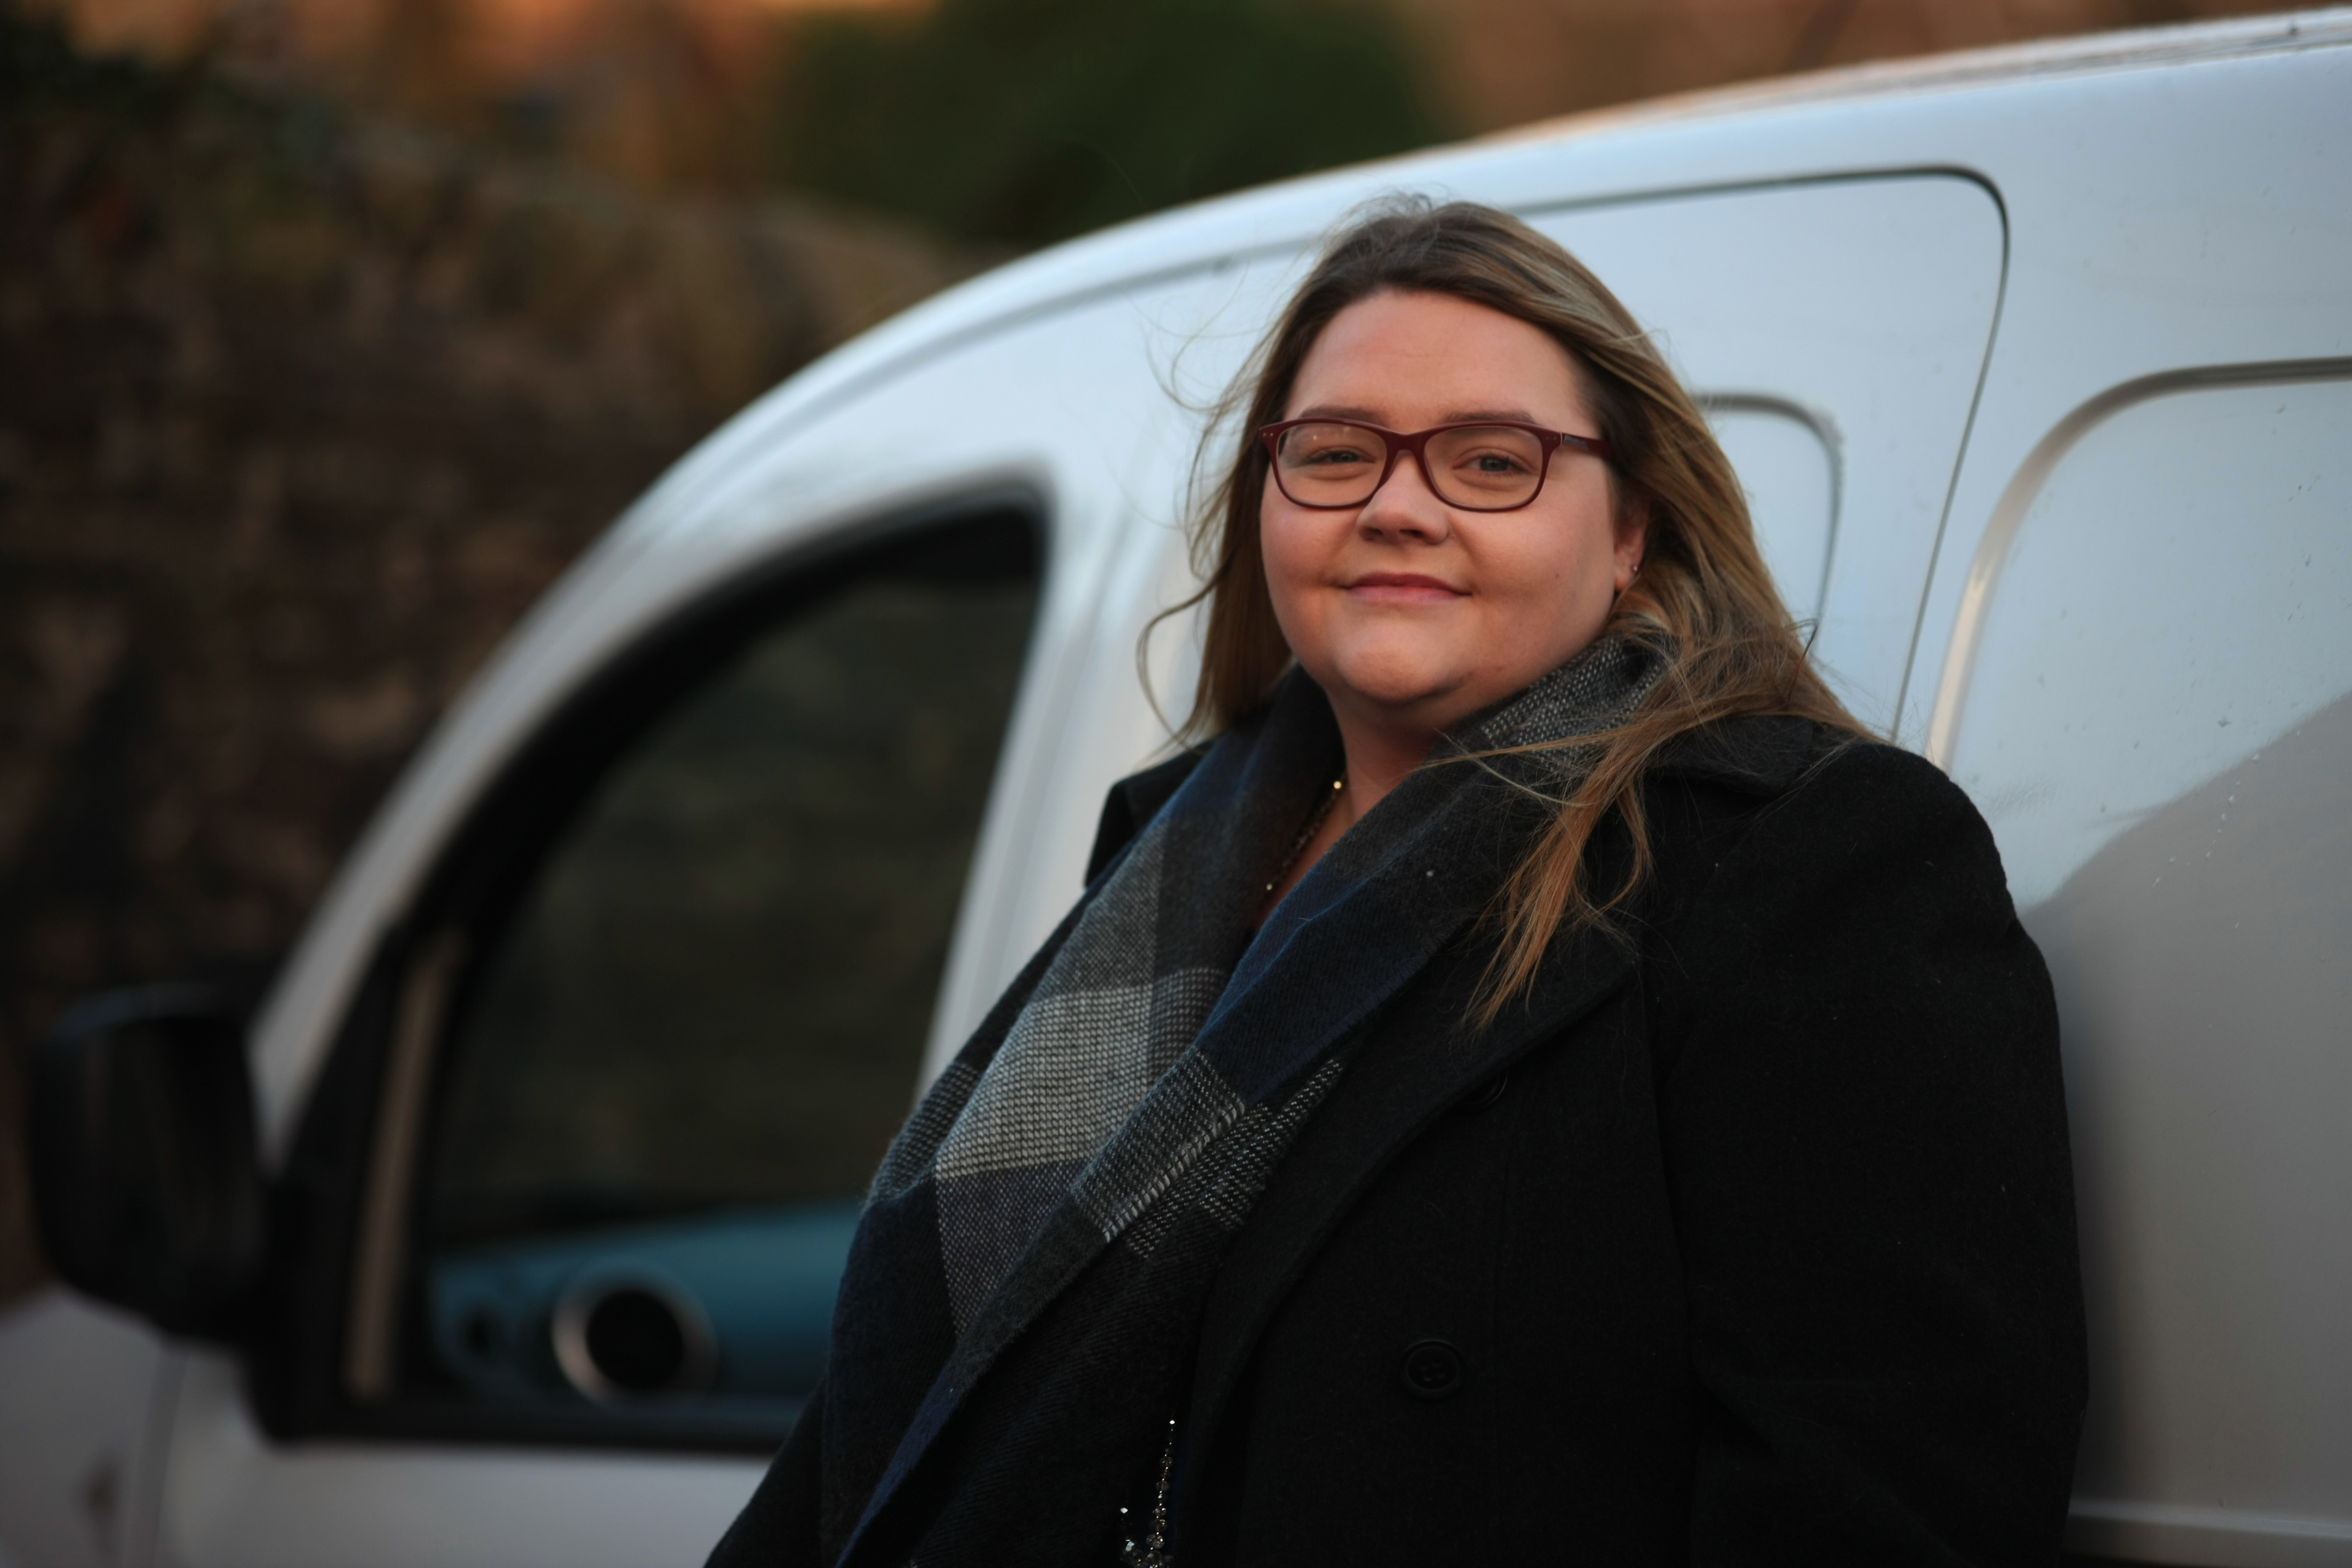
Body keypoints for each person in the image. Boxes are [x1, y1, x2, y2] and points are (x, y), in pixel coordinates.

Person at [709, 200, 2086, 1567]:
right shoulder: (1168, 857)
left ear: (1629, 534)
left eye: (1492, 461)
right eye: (1336, 452)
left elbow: (1889, 1502)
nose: (1396, 505)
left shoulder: (1802, 862)